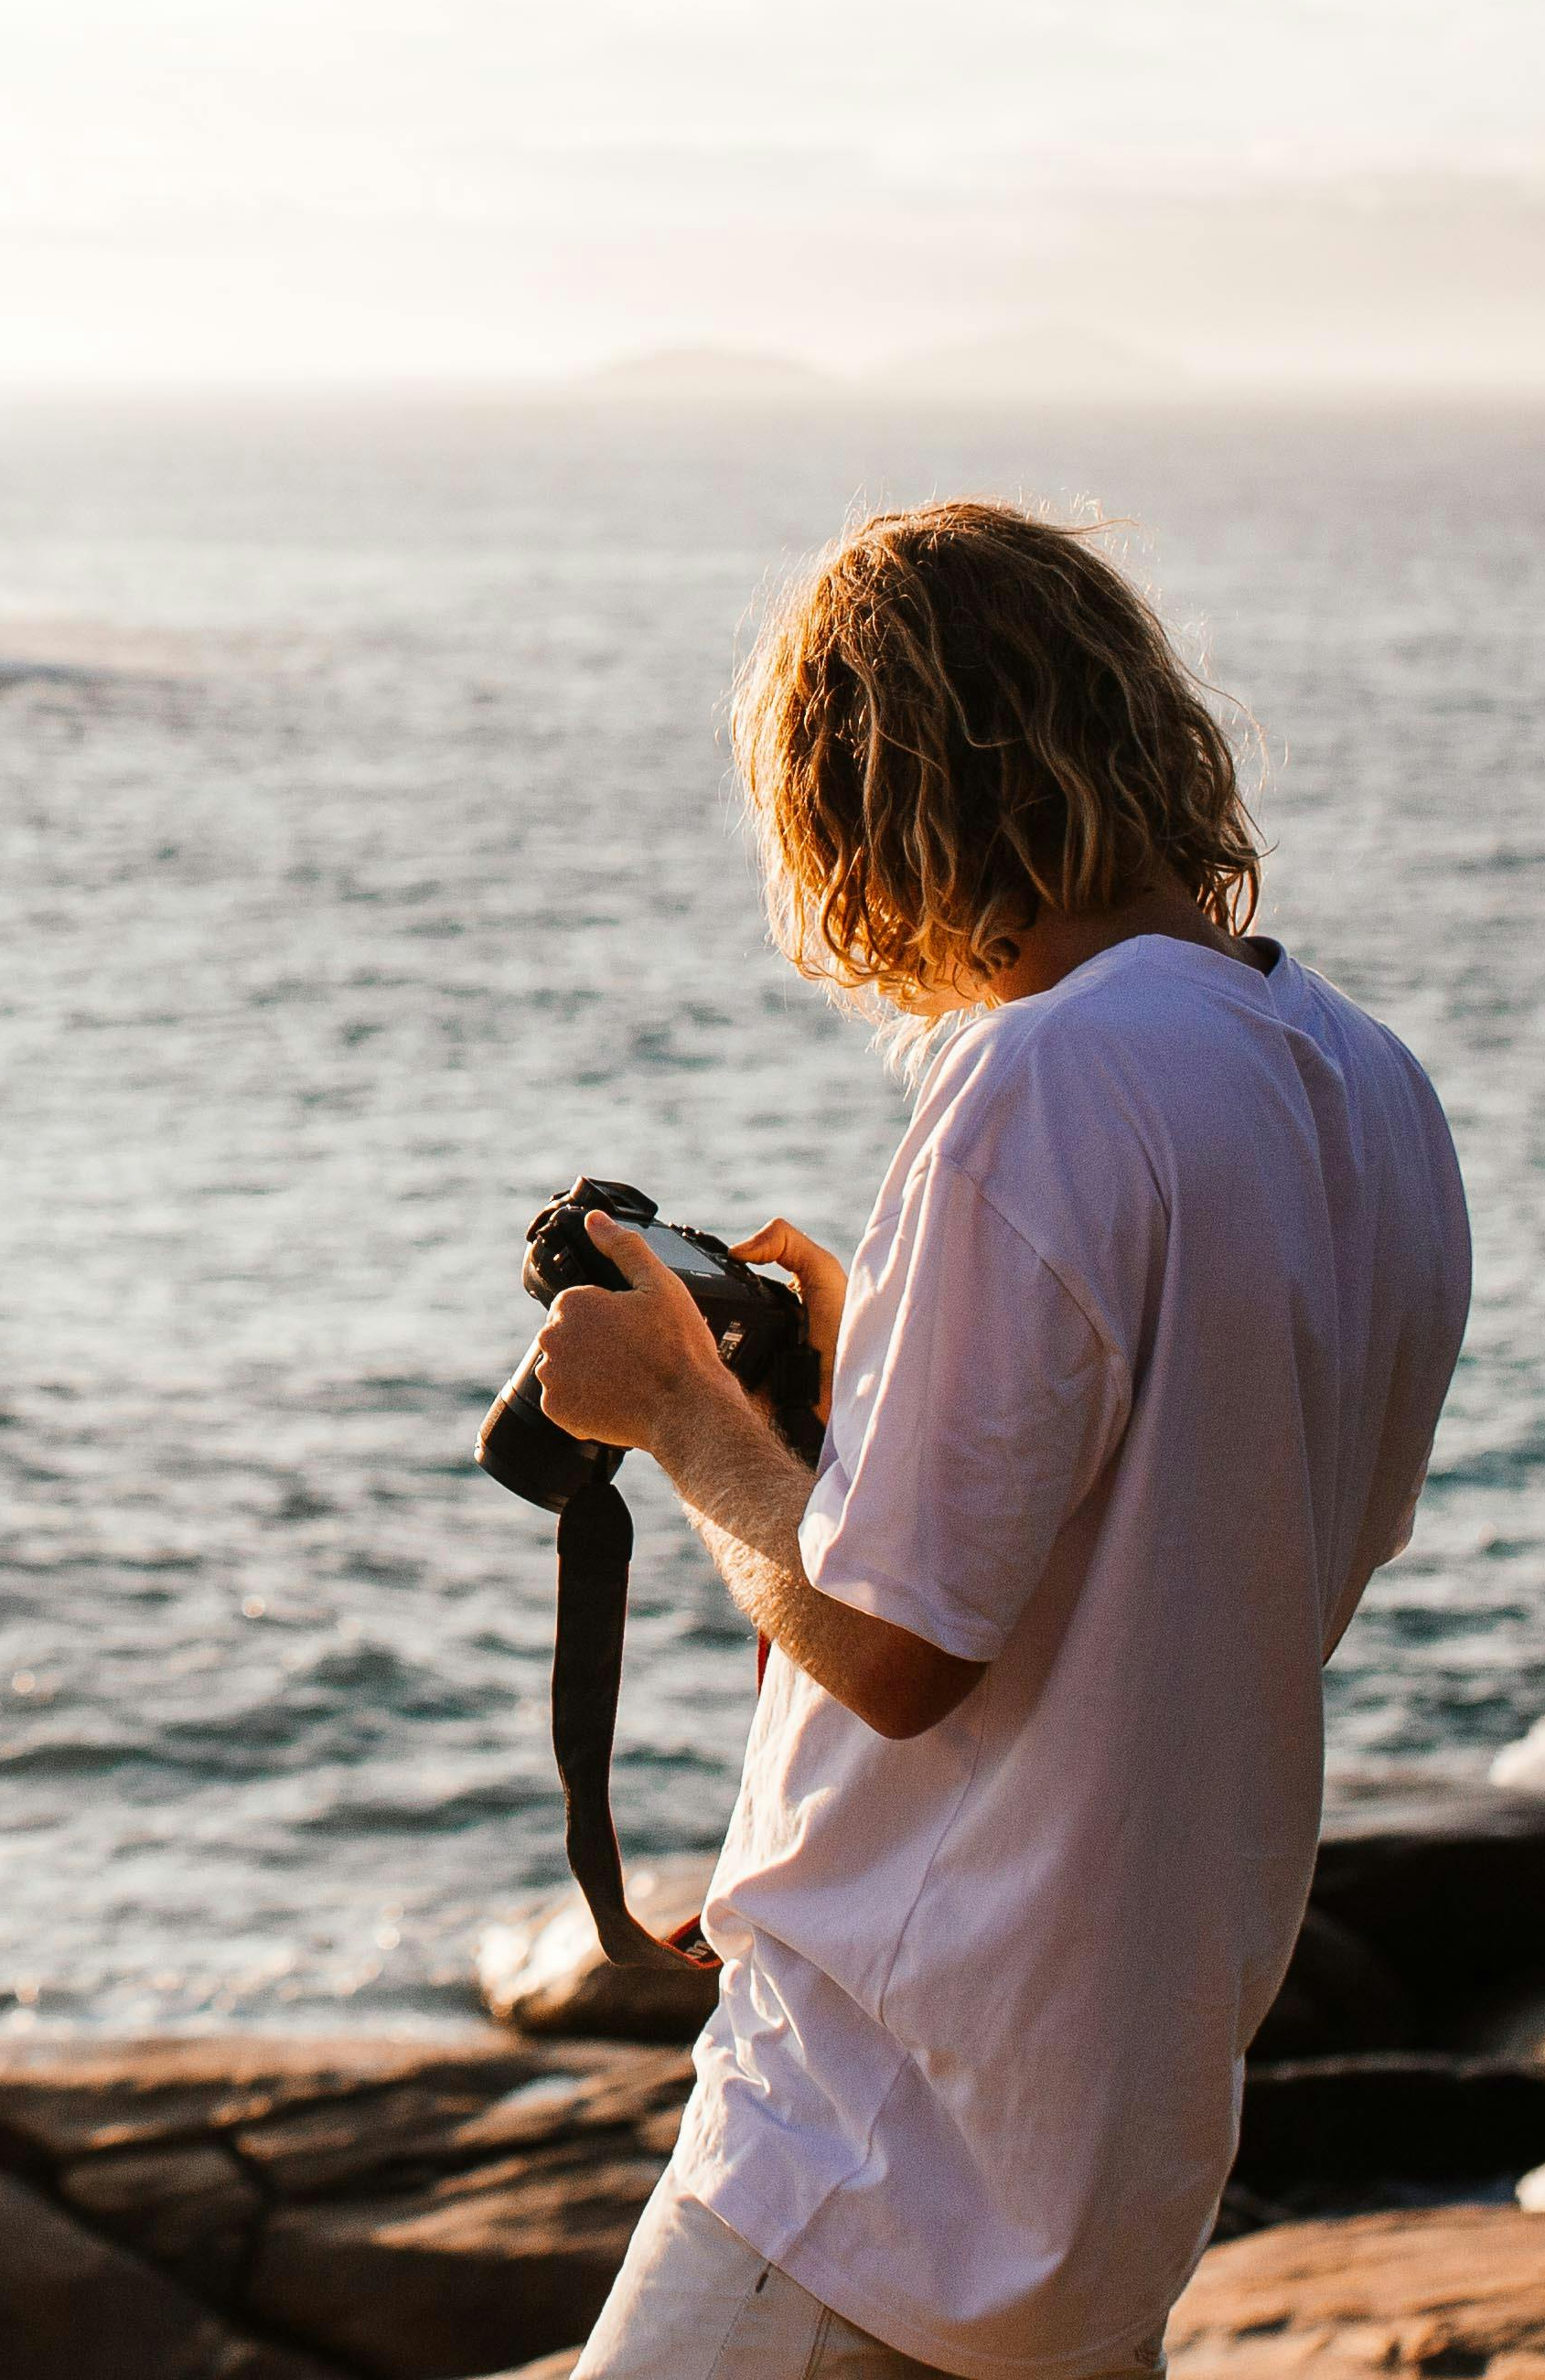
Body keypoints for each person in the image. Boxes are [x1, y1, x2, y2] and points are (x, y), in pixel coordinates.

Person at [527, 500, 1470, 2380]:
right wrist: (884, 1356)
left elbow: (890, 1651)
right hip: (1113, 2145)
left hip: (878, 2132)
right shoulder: (1369, 1095)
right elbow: (1218, 1546)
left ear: (873, 800)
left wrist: (686, 1413)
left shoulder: (1039, 1078)